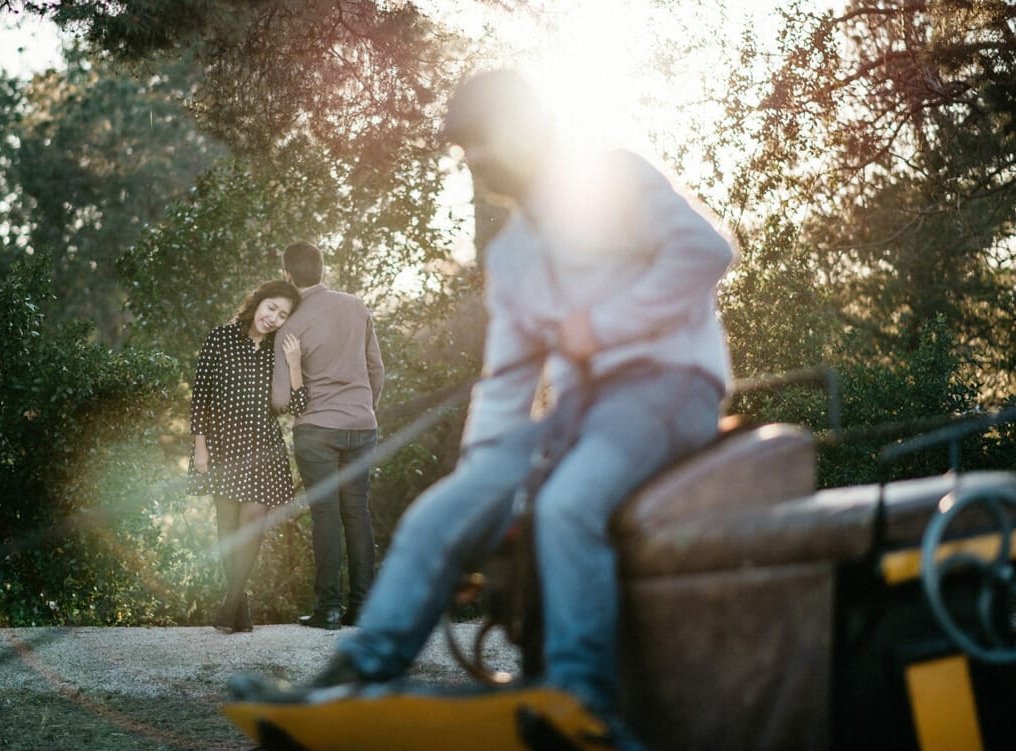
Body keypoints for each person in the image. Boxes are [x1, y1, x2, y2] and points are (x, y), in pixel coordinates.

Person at [237, 70, 736, 749]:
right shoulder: (513, 255)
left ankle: (582, 699)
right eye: (464, 146)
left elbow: (705, 252)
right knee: (437, 513)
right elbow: (504, 386)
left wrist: (606, 322)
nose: (472, 157)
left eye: (480, 138)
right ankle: (354, 675)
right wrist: (480, 483)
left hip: (668, 385)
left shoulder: (611, 177)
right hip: (577, 411)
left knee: (566, 506)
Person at [271, 240, 385, 631]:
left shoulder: (290, 323)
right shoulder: (356, 307)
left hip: (318, 429)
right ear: (323, 269)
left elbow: (282, 398)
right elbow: (377, 373)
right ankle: (364, 608)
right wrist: (362, 409)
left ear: (288, 275)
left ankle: (329, 610)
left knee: (326, 515)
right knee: (357, 512)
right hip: (362, 425)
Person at [189, 279, 307, 633]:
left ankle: (229, 607)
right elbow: (201, 396)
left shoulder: (279, 351)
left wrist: (295, 362)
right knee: (226, 529)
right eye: (271, 307)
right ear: (258, 302)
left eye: (282, 314)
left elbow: (297, 406)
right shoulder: (219, 338)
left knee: (250, 528)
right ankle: (241, 608)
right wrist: (200, 445)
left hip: (263, 451)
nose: (273, 317)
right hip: (222, 446)